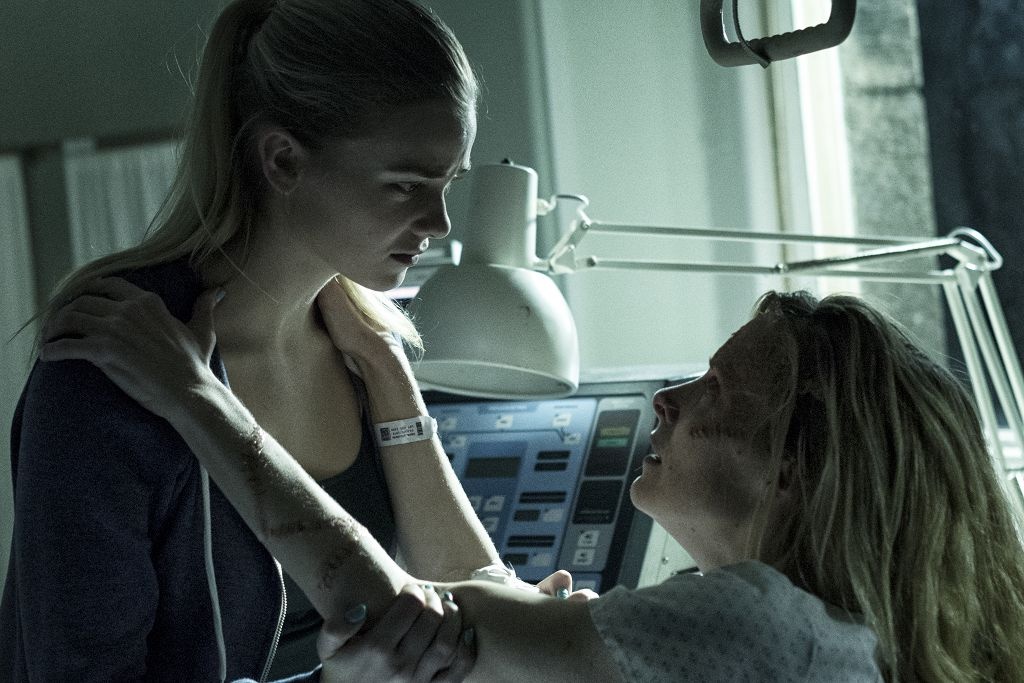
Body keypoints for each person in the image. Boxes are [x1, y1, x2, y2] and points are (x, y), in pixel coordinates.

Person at [38, 281, 1024, 681]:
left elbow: (408, 613)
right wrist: (391, 383)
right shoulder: (834, 635)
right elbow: (483, 601)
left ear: (796, 465)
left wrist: (196, 398)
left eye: (715, 389)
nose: (667, 398)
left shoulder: (766, 627)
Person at [0, 1, 577, 680]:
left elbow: (464, 602)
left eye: (449, 182)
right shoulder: (109, 360)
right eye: (405, 185)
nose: (440, 222)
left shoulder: (366, 347)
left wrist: (390, 373)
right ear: (282, 160)